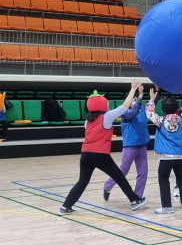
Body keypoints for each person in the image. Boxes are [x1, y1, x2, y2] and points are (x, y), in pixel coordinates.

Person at [58, 81, 147, 215]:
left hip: (85, 154)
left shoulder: (87, 120)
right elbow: (124, 107)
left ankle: (65, 206)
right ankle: (135, 200)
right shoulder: (107, 116)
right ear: (101, 105)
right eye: (106, 103)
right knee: (119, 177)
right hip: (99, 154)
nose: (108, 105)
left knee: (82, 182)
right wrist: (133, 89)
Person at [147, 84, 182, 214]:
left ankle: (167, 206)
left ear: (163, 109)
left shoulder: (160, 121)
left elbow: (149, 112)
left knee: (163, 180)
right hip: (181, 156)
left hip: (166, 157)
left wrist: (152, 100)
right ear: (177, 108)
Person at [103, 84, 150, 202]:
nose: (134, 100)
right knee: (124, 170)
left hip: (142, 145)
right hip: (130, 146)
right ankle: (107, 186)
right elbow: (132, 113)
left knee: (143, 172)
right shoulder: (125, 113)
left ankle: (137, 196)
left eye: (135, 98)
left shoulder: (142, 108)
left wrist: (157, 92)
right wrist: (140, 97)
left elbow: (152, 104)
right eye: (132, 99)